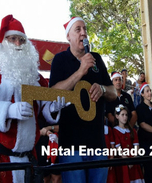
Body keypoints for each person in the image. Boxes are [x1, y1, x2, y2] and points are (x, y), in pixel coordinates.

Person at [0, 15, 68, 183]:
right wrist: (7, 110)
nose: (17, 44)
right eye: (12, 38)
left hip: (27, 159)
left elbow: (41, 109)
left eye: (21, 40)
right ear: (3, 42)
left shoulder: (34, 76)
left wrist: (52, 109)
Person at [49, 16, 116, 183]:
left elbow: (114, 92)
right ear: (68, 37)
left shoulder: (97, 59)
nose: (83, 33)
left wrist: (102, 89)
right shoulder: (60, 60)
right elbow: (51, 94)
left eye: (85, 29)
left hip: (97, 143)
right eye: (78, 29)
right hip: (71, 146)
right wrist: (80, 71)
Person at [113, 105, 144, 183]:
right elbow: (118, 147)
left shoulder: (131, 130)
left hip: (133, 159)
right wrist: (127, 160)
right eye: (122, 115)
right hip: (123, 161)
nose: (125, 117)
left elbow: (136, 145)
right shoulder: (115, 130)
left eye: (126, 115)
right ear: (117, 116)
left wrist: (133, 159)